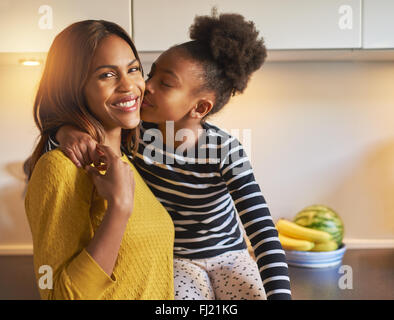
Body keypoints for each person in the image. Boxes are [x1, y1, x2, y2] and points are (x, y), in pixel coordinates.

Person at [51, 12, 292, 300]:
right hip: (176, 260)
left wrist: (280, 295)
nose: (146, 86)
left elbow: (263, 231)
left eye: (165, 83)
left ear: (199, 108)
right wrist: (65, 131)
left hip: (230, 255)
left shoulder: (226, 151)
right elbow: (57, 147)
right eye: (150, 73)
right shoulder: (133, 133)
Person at [24, 20, 175, 300]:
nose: (129, 86)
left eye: (133, 69)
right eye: (107, 75)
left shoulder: (128, 163)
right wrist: (118, 209)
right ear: (73, 87)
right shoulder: (60, 168)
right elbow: (56, 295)